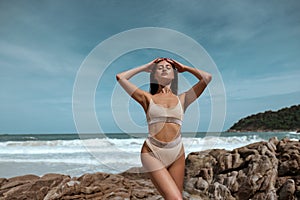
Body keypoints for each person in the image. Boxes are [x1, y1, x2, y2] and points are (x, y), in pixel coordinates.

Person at [116, 58, 212, 199]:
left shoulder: (183, 99)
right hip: (152, 152)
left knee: (175, 197)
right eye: (160, 68)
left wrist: (185, 67)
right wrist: (145, 66)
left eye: (168, 67)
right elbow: (121, 77)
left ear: (174, 74)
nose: (164, 69)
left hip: (177, 152)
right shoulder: (147, 98)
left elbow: (207, 77)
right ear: (154, 75)